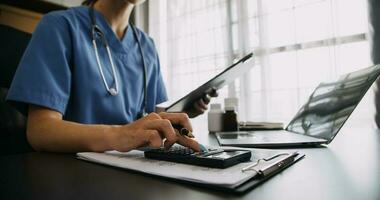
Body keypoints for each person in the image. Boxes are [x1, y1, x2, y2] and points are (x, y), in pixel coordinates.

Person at [6, 0, 216, 153]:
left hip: (135, 170)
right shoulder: (59, 26)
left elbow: (148, 114)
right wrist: (119, 135)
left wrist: (181, 113)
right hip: (73, 172)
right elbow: (41, 131)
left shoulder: (147, 46)